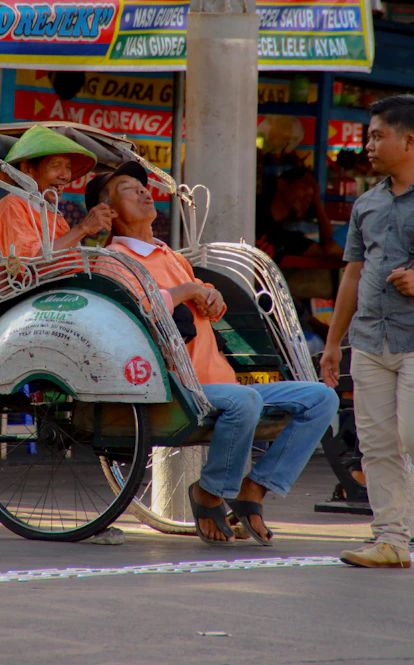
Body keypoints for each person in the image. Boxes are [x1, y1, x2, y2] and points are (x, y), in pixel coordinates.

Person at [86, 161, 338, 547]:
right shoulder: (115, 259)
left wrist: (212, 298)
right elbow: (136, 311)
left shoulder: (169, 255)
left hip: (221, 383)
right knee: (244, 400)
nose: (142, 191)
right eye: (127, 189)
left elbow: (204, 300)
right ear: (111, 212)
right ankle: (210, 491)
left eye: (142, 186)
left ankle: (254, 489)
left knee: (321, 398)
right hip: (173, 386)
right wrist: (187, 292)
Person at [321, 95, 414, 569]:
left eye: (379, 135)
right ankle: (392, 539)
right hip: (369, 341)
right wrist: (334, 342)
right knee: (376, 444)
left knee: (411, 436)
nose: (369, 145)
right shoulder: (366, 204)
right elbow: (353, 276)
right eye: (369, 135)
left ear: (409, 140)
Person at [0, 126, 112, 258]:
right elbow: (32, 262)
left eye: (68, 167)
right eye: (56, 166)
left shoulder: (50, 211)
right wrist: (83, 228)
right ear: (28, 169)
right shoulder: (12, 204)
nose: (65, 176)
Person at [256, 167, 343, 263]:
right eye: (304, 187)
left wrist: (318, 204)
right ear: (282, 184)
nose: (308, 197)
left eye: (312, 195)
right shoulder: (252, 212)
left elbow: (330, 250)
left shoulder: (288, 238)